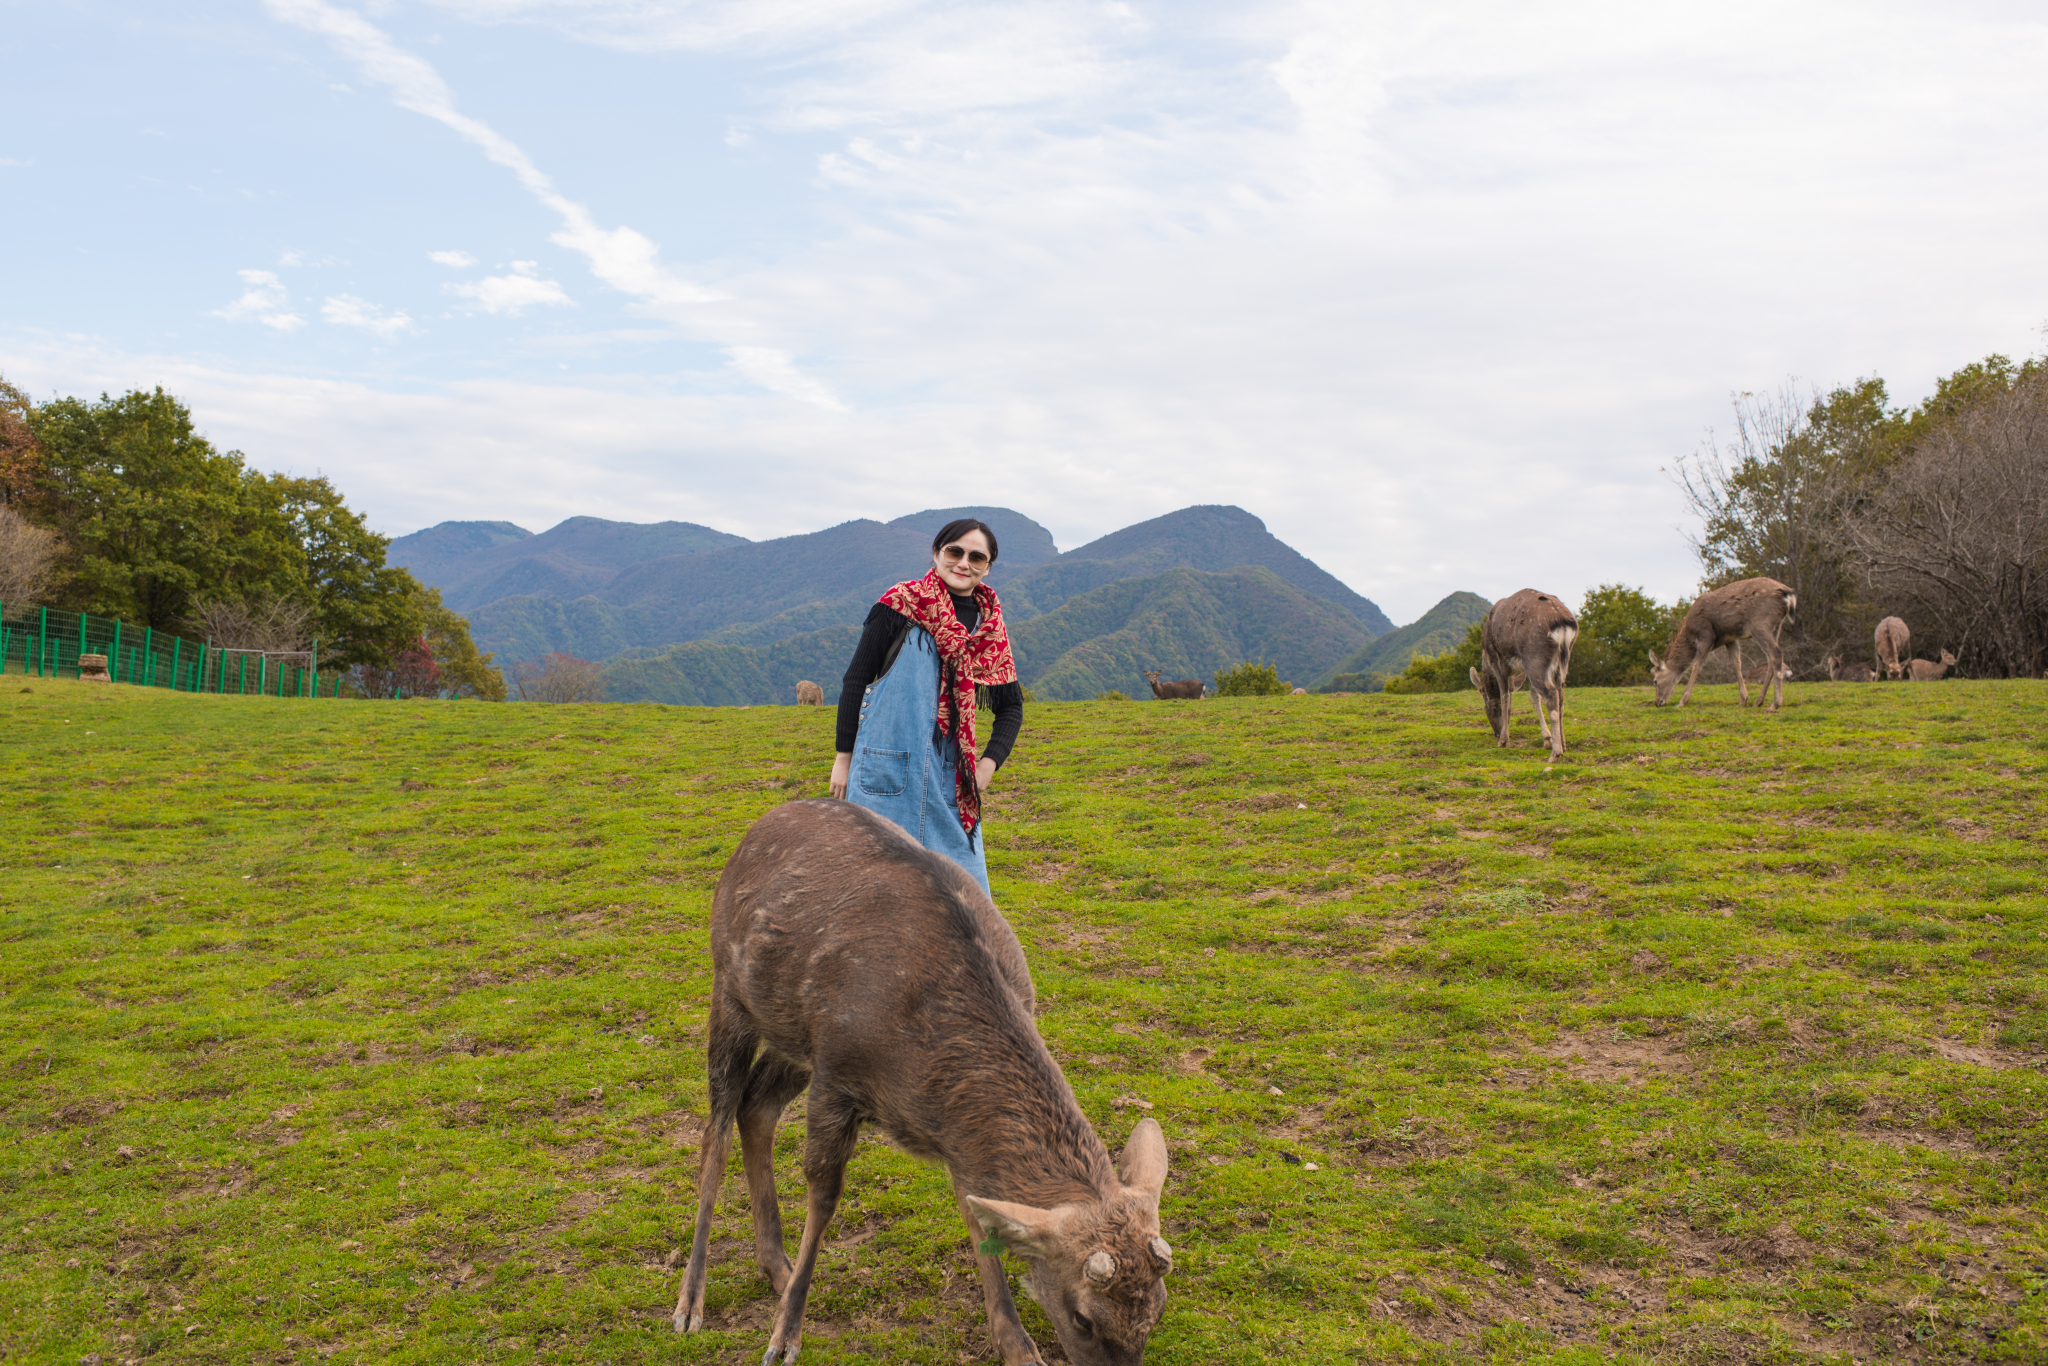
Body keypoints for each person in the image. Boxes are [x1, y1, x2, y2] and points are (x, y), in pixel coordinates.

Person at [829, 518, 1024, 896]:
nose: (963, 563)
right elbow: (856, 680)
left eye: (976, 557)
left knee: (965, 903)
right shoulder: (898, 606)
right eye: (955, 551)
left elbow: (1011, 708)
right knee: (872, 895)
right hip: (883, 775)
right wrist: (843, 756)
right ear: (937, 553)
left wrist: (987, 765)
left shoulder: (989, 631)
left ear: (988, 566)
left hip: (951, 784)